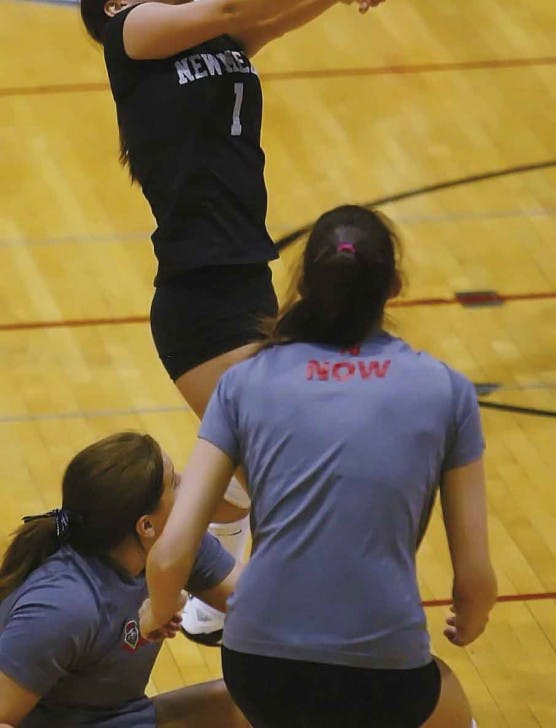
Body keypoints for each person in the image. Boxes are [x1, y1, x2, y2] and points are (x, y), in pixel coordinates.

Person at [80, 0, 392, 641]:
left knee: (274, 461)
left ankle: (173, 531)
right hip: (198, 297)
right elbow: (234, 4)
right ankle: (185, 571)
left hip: (247, 276)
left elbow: (266, 21)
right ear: (115, 1)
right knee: (290, 458)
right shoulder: (130, 38)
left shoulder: (213, 43)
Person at [141, 204, 498, 727]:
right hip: (384, 675)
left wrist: (159, 609)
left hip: (258, 669)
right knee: (449, 706)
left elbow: (171, 554)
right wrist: (471, 617)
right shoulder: (445, 390)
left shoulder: (245, 382)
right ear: (394, 286)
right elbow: (474, 579)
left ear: (303, 284)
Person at [0, 431, 247, 727]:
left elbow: (264, 605)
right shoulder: (63, 608)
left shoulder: (174, 549)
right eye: (175, 483)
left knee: (272, 700)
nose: (187, 485)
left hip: (125, 716)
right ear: (146, 525)